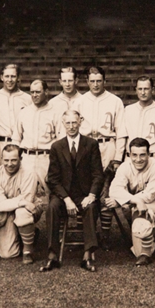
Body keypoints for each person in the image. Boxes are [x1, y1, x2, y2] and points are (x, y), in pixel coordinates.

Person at [42, 110, 105, 272]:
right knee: (52, 208)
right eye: (68, 123)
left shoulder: (91, 144)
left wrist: (91, 195)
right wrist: (66, 199)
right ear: (63, 124)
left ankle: (87, 255)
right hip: (63, 195)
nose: (71, 126)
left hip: (84, 194)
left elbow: (98, 175)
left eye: (74, 122)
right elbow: (53, 178)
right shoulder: (57, 146)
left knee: (91, 207)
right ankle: (52, 255)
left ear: (80, 122)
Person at [75, 65, 127, 240]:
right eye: (92, 81)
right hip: (86, 146)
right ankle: (85, 232)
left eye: (99, 81)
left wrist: (118, 158)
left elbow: (121, 132)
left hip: (107, 145)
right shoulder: (80, 101)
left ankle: (105, 232)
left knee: (106, 189)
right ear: (87, 82)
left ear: (105, 81)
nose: (95, 84)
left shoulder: (115, 101)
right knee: (85, 187)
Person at [107, 138, 155, 266]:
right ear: (129, 155)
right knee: (137, 251)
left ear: (149, 154)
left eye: (143, 155)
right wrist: (136, 200)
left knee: (142, 251)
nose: (138, 159)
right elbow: (114, 190)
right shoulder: (124, 166)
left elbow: (150, 195)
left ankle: (147, 253)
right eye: (134, 155)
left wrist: (123, 201)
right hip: (139, 206)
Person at [0, 144, 43, 263]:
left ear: (20, 159)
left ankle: (28, 251)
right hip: (6, 213)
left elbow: (28, 201)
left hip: (29, 210)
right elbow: (0, 205)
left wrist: (22, 203)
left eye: (14, 160)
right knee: (7, 254)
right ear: (1, 159)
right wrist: (21, 201)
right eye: (6, 160)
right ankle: (26, 233)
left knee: (22, 212)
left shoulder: (29, 173)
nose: (10, 164)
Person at [13, 79, 62, 192]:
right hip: (27, 158)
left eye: (38, 92)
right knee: (26, 190)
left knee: (48, 191)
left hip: (46, 158)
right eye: (32, 92)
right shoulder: (24, 112)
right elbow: (16, 139)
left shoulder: (55, 112)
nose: (34, 95)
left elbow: (61, 142)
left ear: (46, 92)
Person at [0, 64, 32, 165]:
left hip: (21, 145)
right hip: (0, 145)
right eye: (7, 76)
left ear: (19, 78)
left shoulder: (27, 99)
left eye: (13, 76)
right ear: (2, 77)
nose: (9, 80)